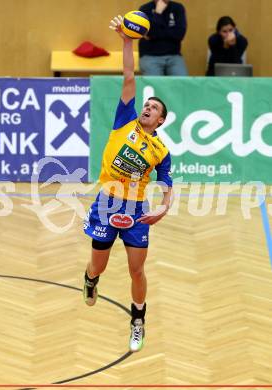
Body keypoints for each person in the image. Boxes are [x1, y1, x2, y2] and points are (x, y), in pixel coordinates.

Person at [82, 15, 173, 352]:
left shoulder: (161, 151)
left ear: (160, 120)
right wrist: (126, 41)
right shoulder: (124, 121)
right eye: (146, 104)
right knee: (98, 265)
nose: (147, 108)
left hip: (136, 210)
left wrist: (164, 208)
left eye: (153, 108)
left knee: (137, 270)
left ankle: (138, 319)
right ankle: (90, 279)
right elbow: (129, 76)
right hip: (106, 202)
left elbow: (167, 184)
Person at [138, 0, 188, 76]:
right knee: (154, 85)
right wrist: (158, 13)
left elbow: (179, 34)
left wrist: (157, 33)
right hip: (150, 55)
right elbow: (152, 33)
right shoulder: (144, 9)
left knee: (182, 84)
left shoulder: (178, 8)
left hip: (174, 55)